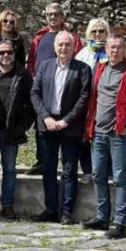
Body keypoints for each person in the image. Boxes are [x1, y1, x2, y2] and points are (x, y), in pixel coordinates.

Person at [81, 34, 126, 239]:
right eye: (112, 47)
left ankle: (120, 222)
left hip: (119, 134)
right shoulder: (100, 68)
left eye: (119, 47)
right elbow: (94, 98)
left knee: (120, 177)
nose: (115, 51)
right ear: (106, 49)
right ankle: (102, 216)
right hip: (99, 132)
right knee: (98, 175)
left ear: (124, 49)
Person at [30, 31, 92, 223]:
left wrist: (66, 120)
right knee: (48, 169)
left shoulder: (82, 69)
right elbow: (35, 93)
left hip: (70, 126)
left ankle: (66, 212)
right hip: (47, 124)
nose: (64, 48)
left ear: (74, 47)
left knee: (69, 170)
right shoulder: (45, 66)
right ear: (55, 46)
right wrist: (46, 117)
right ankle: (50, 210)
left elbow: (84, 98)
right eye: (60, 44)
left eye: (68, 44)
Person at [0, 39, 35, 218]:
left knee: (9, 170)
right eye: (2, 52)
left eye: (9, 52)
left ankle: (7, 205)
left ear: (14, 54)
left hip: (11, 131)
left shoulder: (23, 75)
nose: (6, 55)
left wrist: (22, 127)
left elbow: (30, 105)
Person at [26, 3, 84, 176]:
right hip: (43, 88)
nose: (53, 17)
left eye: (57, 14)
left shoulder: (71, 38)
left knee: (68, 133)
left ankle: (69, 166)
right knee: (41, 127)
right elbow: (32, 61)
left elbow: (79, 60)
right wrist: (34, 78)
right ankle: (41, 161)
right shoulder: (39, 38)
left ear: (62, 17)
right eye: (49, 14)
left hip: (66, 89)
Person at [74, 17, 112, 184]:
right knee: (84, 136)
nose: (97, 34)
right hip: (85, 101)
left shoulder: (112, 52)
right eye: (94, 31)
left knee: (106, 136)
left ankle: (107, 171)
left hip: (105, 102)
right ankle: (88, 170)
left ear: (107, 33)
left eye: (101, 31)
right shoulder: (82, 54)